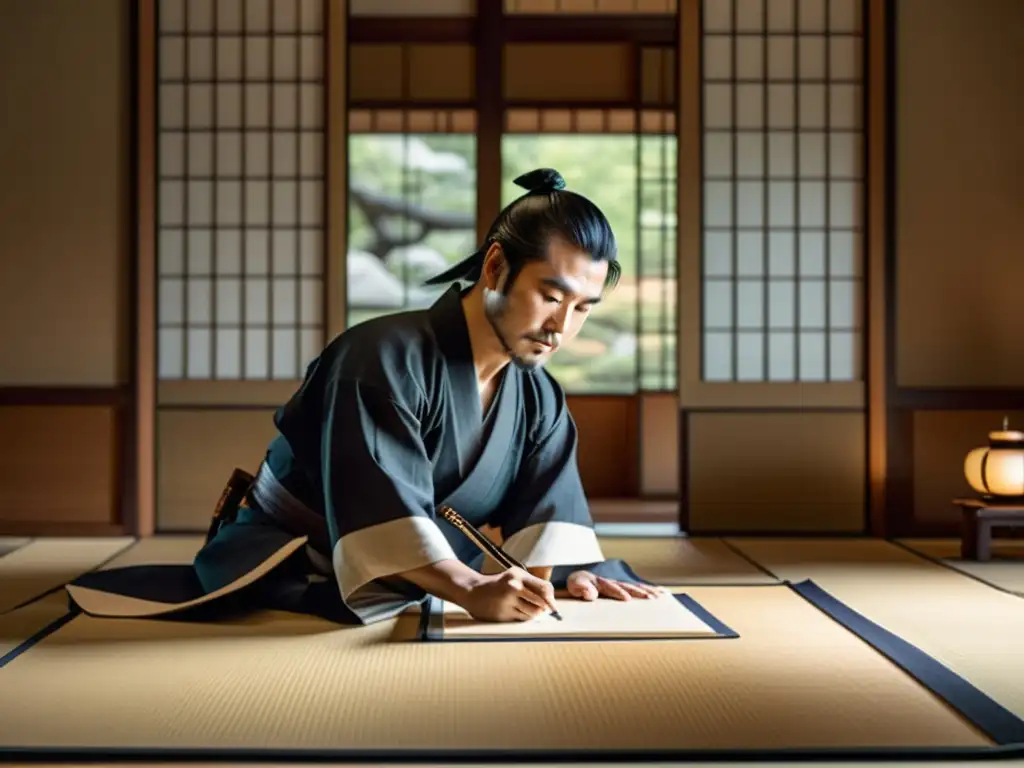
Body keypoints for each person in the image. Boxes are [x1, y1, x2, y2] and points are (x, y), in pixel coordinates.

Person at [67, 167, 661, 627]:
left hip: (428, 571)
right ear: (497, 266)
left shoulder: (540, 398)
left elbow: (546, 520)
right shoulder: (380, 356)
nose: (563, 326)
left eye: (584, 308)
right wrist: (471, 588)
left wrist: (557, 579)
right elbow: (378, 502)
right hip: (301, 558)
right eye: (551, 296)